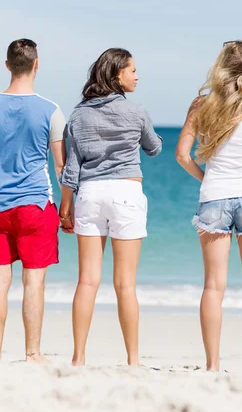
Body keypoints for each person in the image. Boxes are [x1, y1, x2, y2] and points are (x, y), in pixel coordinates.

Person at [176, 40, 242, 372]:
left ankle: (212, 365)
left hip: (214, 197)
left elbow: (182, 155)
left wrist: (206, 177)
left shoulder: (201, 106)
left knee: (213, 286)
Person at [59, 48, 163, 367]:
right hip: (126, 192)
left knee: (87, 280)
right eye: (132, 70)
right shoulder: (137, 112)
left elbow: (71, 168)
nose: (137, 75)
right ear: (117, 74)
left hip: (89, 193)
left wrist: (66, 207)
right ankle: (132, 360)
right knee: (125, 283)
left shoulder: (78, 115)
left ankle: (78, 358)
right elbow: (154, 148)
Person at [0, 38, 66, 363]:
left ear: (8, 65)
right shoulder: (51, 111)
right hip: (35, 207)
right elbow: (61, 165)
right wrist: (67, 207)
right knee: (33, 281)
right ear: (37, 65)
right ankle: (32, 353)